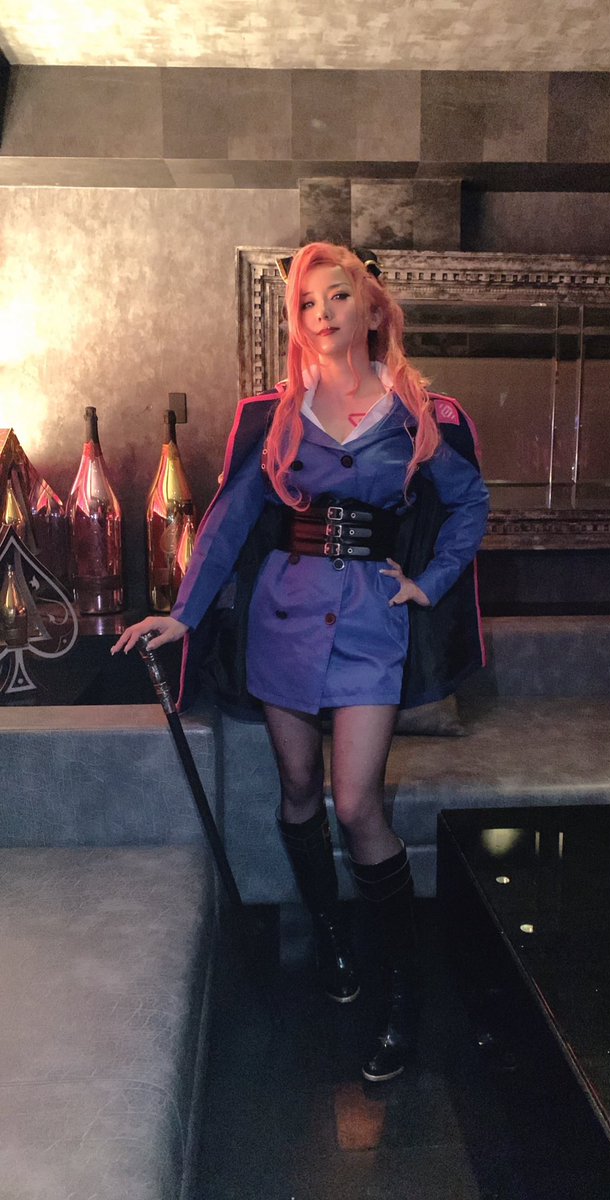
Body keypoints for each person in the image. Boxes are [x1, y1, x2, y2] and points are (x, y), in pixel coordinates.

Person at [112, 242, 490, 1083]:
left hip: (371, 624)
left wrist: (427, 582)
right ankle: (328, 937)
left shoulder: (417, 411)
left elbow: (469, 502)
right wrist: (182, 614)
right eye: (307, 303)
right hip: (282, 617)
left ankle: (402, 995)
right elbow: (227, 521)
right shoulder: (275, 414)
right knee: (296, 789)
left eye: (337, 296)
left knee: (355, 803)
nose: (321, 313)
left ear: (370, 308)